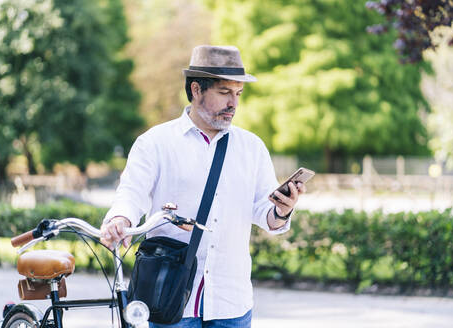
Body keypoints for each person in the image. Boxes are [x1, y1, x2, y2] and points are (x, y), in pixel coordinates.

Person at [100, 45, 306, 328]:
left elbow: (264, 213)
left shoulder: (252, 147)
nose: (233, 103)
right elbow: (131, 193)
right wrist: (120, 218)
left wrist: (283, 209)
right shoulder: (156, 142)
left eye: (238, 94)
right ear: (196, 90)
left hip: (230, 302)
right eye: (224, 93)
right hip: (169, 299)